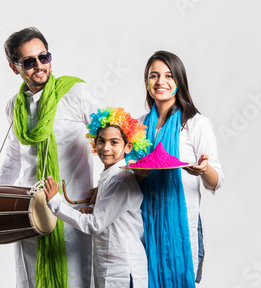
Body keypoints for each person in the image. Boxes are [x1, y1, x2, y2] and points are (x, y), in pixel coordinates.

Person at [0, 27, 102, 288]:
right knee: (33, 280)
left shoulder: (75, 94)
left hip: (71, 209)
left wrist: (106, 185)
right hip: (30, 212)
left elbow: (117, 137)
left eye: (44, 57)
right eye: (29, 62)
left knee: (74, 280)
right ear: (14, 67)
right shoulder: (14, 106)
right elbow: (13, 160)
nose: (39, 66)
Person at [135, 51, 224, 286]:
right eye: (154, 76)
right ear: (146, 82)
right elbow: (132, 180)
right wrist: (138, 174)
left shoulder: (196, 124)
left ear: (179, 81)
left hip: (183, 226)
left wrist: (204, 170)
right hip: (144, 225)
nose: (160, 82)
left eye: (169, 75)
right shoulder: (139, 125)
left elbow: (215, 181)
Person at [44, 107, 150, 288]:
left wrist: (57, 205)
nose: (106, 148)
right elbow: (112, 213)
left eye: (114, 142)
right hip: (111, 269)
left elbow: (94, 225)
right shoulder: (111, 174)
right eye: (101, 141)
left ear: (128, 147)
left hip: (123, 273)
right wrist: (94, 209)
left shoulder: (120, 179)